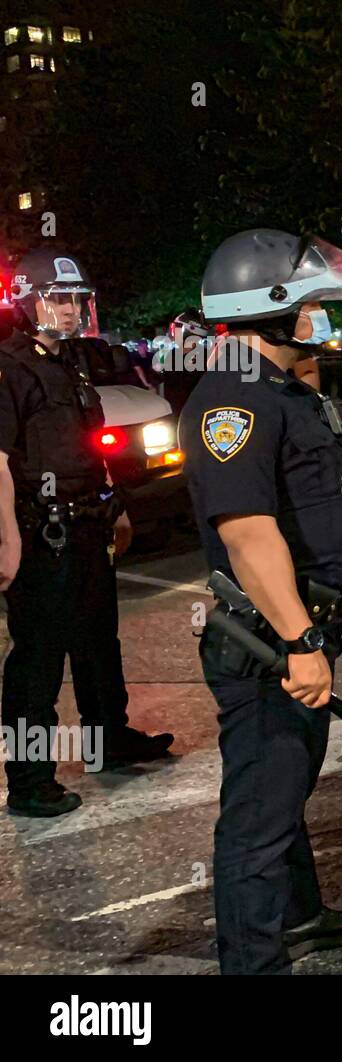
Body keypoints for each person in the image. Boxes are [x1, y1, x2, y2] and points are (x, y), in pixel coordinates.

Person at [181, 229, 342, 974]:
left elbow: (326, 487)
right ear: (266, 308)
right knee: (257, 820)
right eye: (308, 303)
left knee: (285, 790)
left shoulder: (286, 389)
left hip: (305, 627)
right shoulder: (233, 400)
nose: (319, 315)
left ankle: (299, 915)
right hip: (267, 642)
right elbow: (248, 535)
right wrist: (302, 642)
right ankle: (252, 962)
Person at [0, 248, 174, 819]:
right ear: (30, 302)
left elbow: (87, 444)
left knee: (99, 643)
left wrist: (115, 505)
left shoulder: (68, 365)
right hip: (39, 530)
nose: (72, 309)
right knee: (38, 659)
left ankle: (109, 740)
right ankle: (28, 780)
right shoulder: (10, 367)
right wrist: (7, 539)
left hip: (86, 523)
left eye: (77, 299)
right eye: (59, 298)